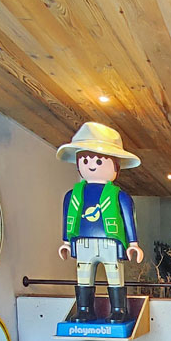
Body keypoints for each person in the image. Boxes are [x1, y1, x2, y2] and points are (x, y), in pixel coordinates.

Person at [56, 122, 143, 323]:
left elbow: (128, 218)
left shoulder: (119, 196)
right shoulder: (73, 195)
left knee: (114, 274)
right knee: (83, 274)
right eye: (86, 160)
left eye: (99, 160)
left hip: (110, 241)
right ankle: (84, 309)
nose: (92, 164)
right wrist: (66, 242)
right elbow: (67, 218)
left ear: (115, 166)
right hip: (83, 241)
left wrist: (133, 243)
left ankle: (119, 310)